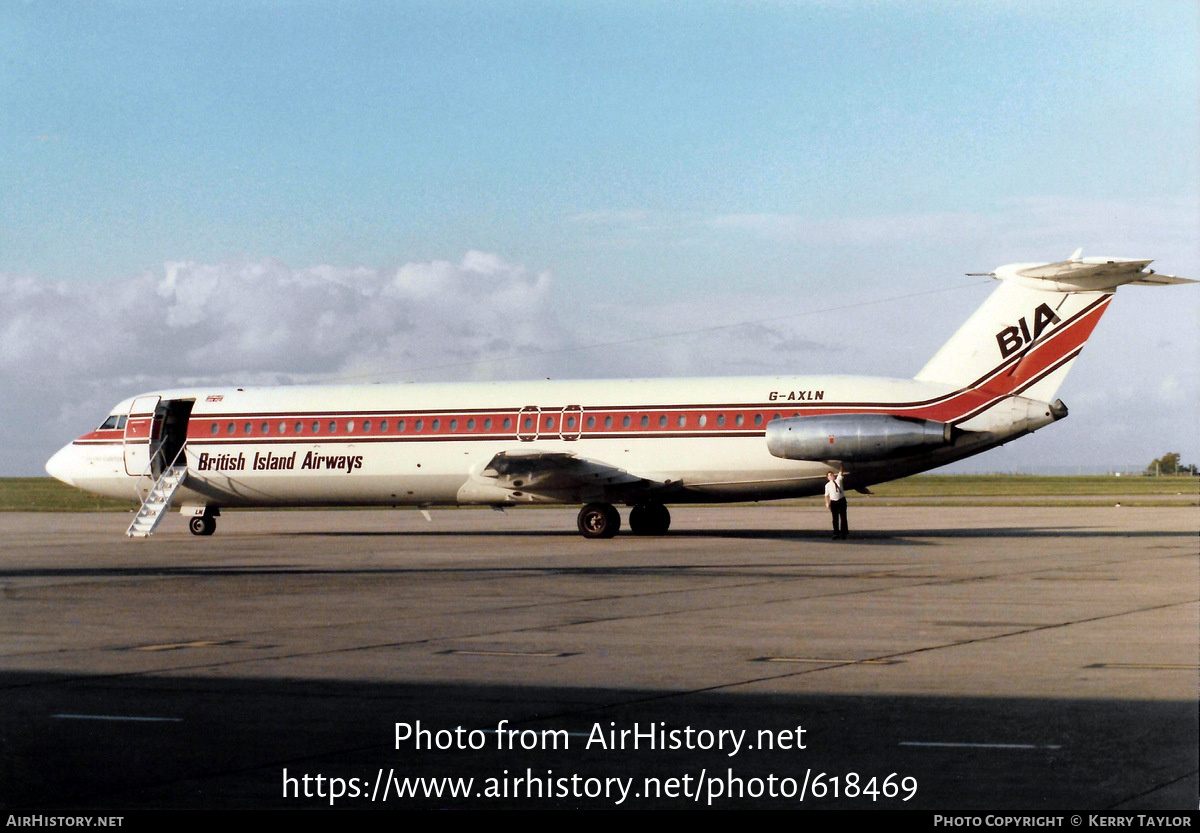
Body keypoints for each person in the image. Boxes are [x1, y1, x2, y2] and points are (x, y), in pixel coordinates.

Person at [824, 469, 848, 539]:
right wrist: (827, 503)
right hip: (834, 502)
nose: (831, 476)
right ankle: (836, 533)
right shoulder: (827, 485)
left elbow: (841, 472)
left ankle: (844, 533)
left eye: (832, 475)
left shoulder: (838, 480)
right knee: (835, 519)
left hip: (841, 500)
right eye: (829, 476)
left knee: (843, 518)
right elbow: (826, 495)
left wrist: (841, 466)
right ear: (828, 478)